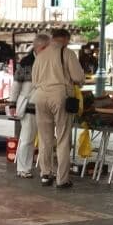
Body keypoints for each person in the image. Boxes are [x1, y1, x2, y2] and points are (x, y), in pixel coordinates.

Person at [31, 29, 84, 188]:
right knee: (62, 138)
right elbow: (78, 77)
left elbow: (34, 80)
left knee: (45, 137)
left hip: (40, 96)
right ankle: (62, 179)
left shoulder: (40, 55)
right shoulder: (66, 53)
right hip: (59, 95)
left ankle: (45, 174)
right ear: (65, 39)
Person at [9, 34, 50, 178]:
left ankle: (46, 169)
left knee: (46, 140)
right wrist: (12, 104)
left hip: (46, 105)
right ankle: (23, 168)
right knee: (27, 138)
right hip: (29, 106)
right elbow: (16, 85)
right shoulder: (26, 61)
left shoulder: (50, 61)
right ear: (40, 47)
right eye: (47, 47)